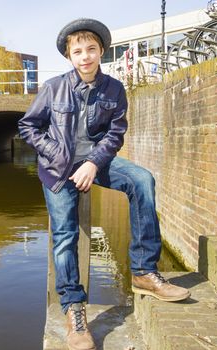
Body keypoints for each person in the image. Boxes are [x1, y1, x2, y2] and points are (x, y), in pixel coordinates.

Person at [18, 18, 190, 350]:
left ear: (101, 52)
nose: (85, 56)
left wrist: (94, 164)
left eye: (91, 50)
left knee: (142, 180)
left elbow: (114, 134)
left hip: (98, 162)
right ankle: (74, 309)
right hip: (58, 168)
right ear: (69, 56)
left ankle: (142, 271)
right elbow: (28, 127)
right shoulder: (54, 88)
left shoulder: (113, 89)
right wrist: (58, 154)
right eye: (77, 51)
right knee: (66, 235)